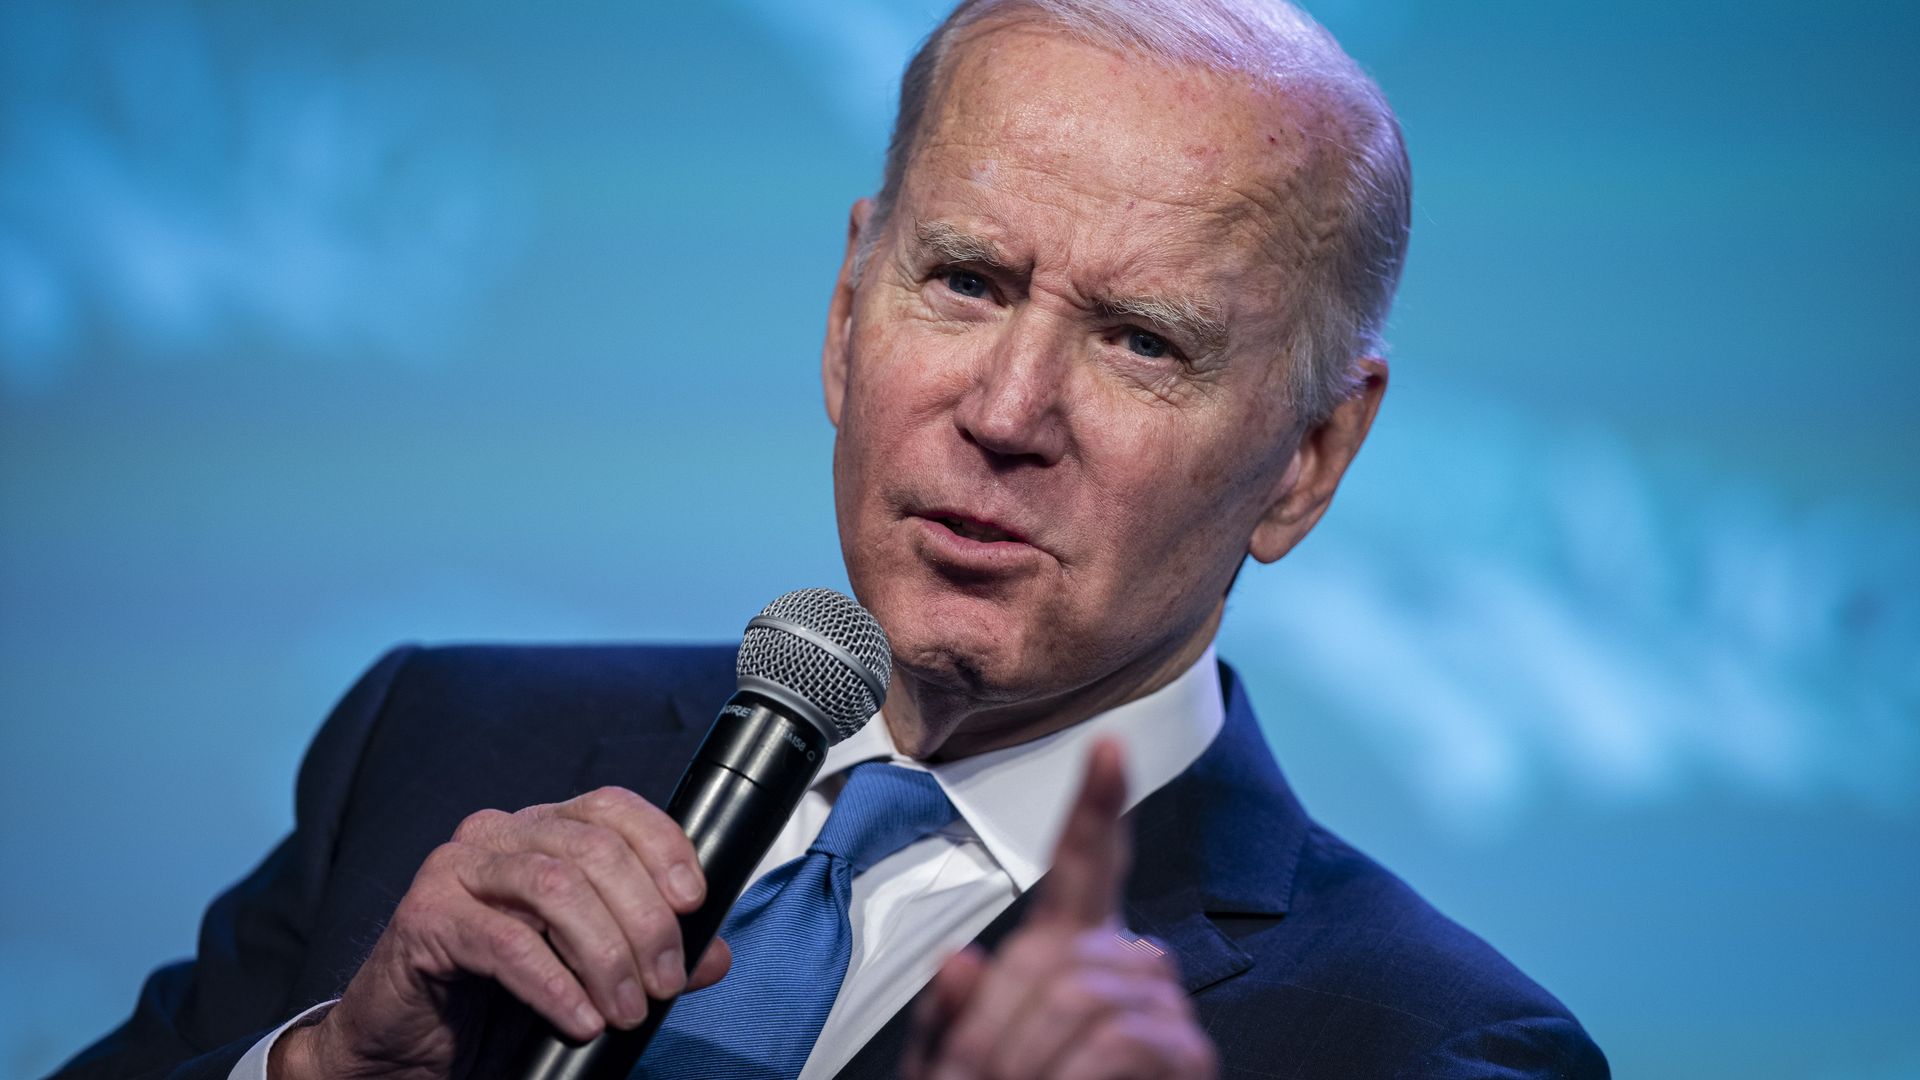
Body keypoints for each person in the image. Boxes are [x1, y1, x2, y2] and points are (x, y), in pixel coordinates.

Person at [51, 1, 1609, 1078]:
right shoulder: (442, 739)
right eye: (967, 282)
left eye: (1141, 340)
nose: (1007, 410)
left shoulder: (1433, 1048)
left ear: (1310, 460)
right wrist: (332, 1068)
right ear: (848, 309)